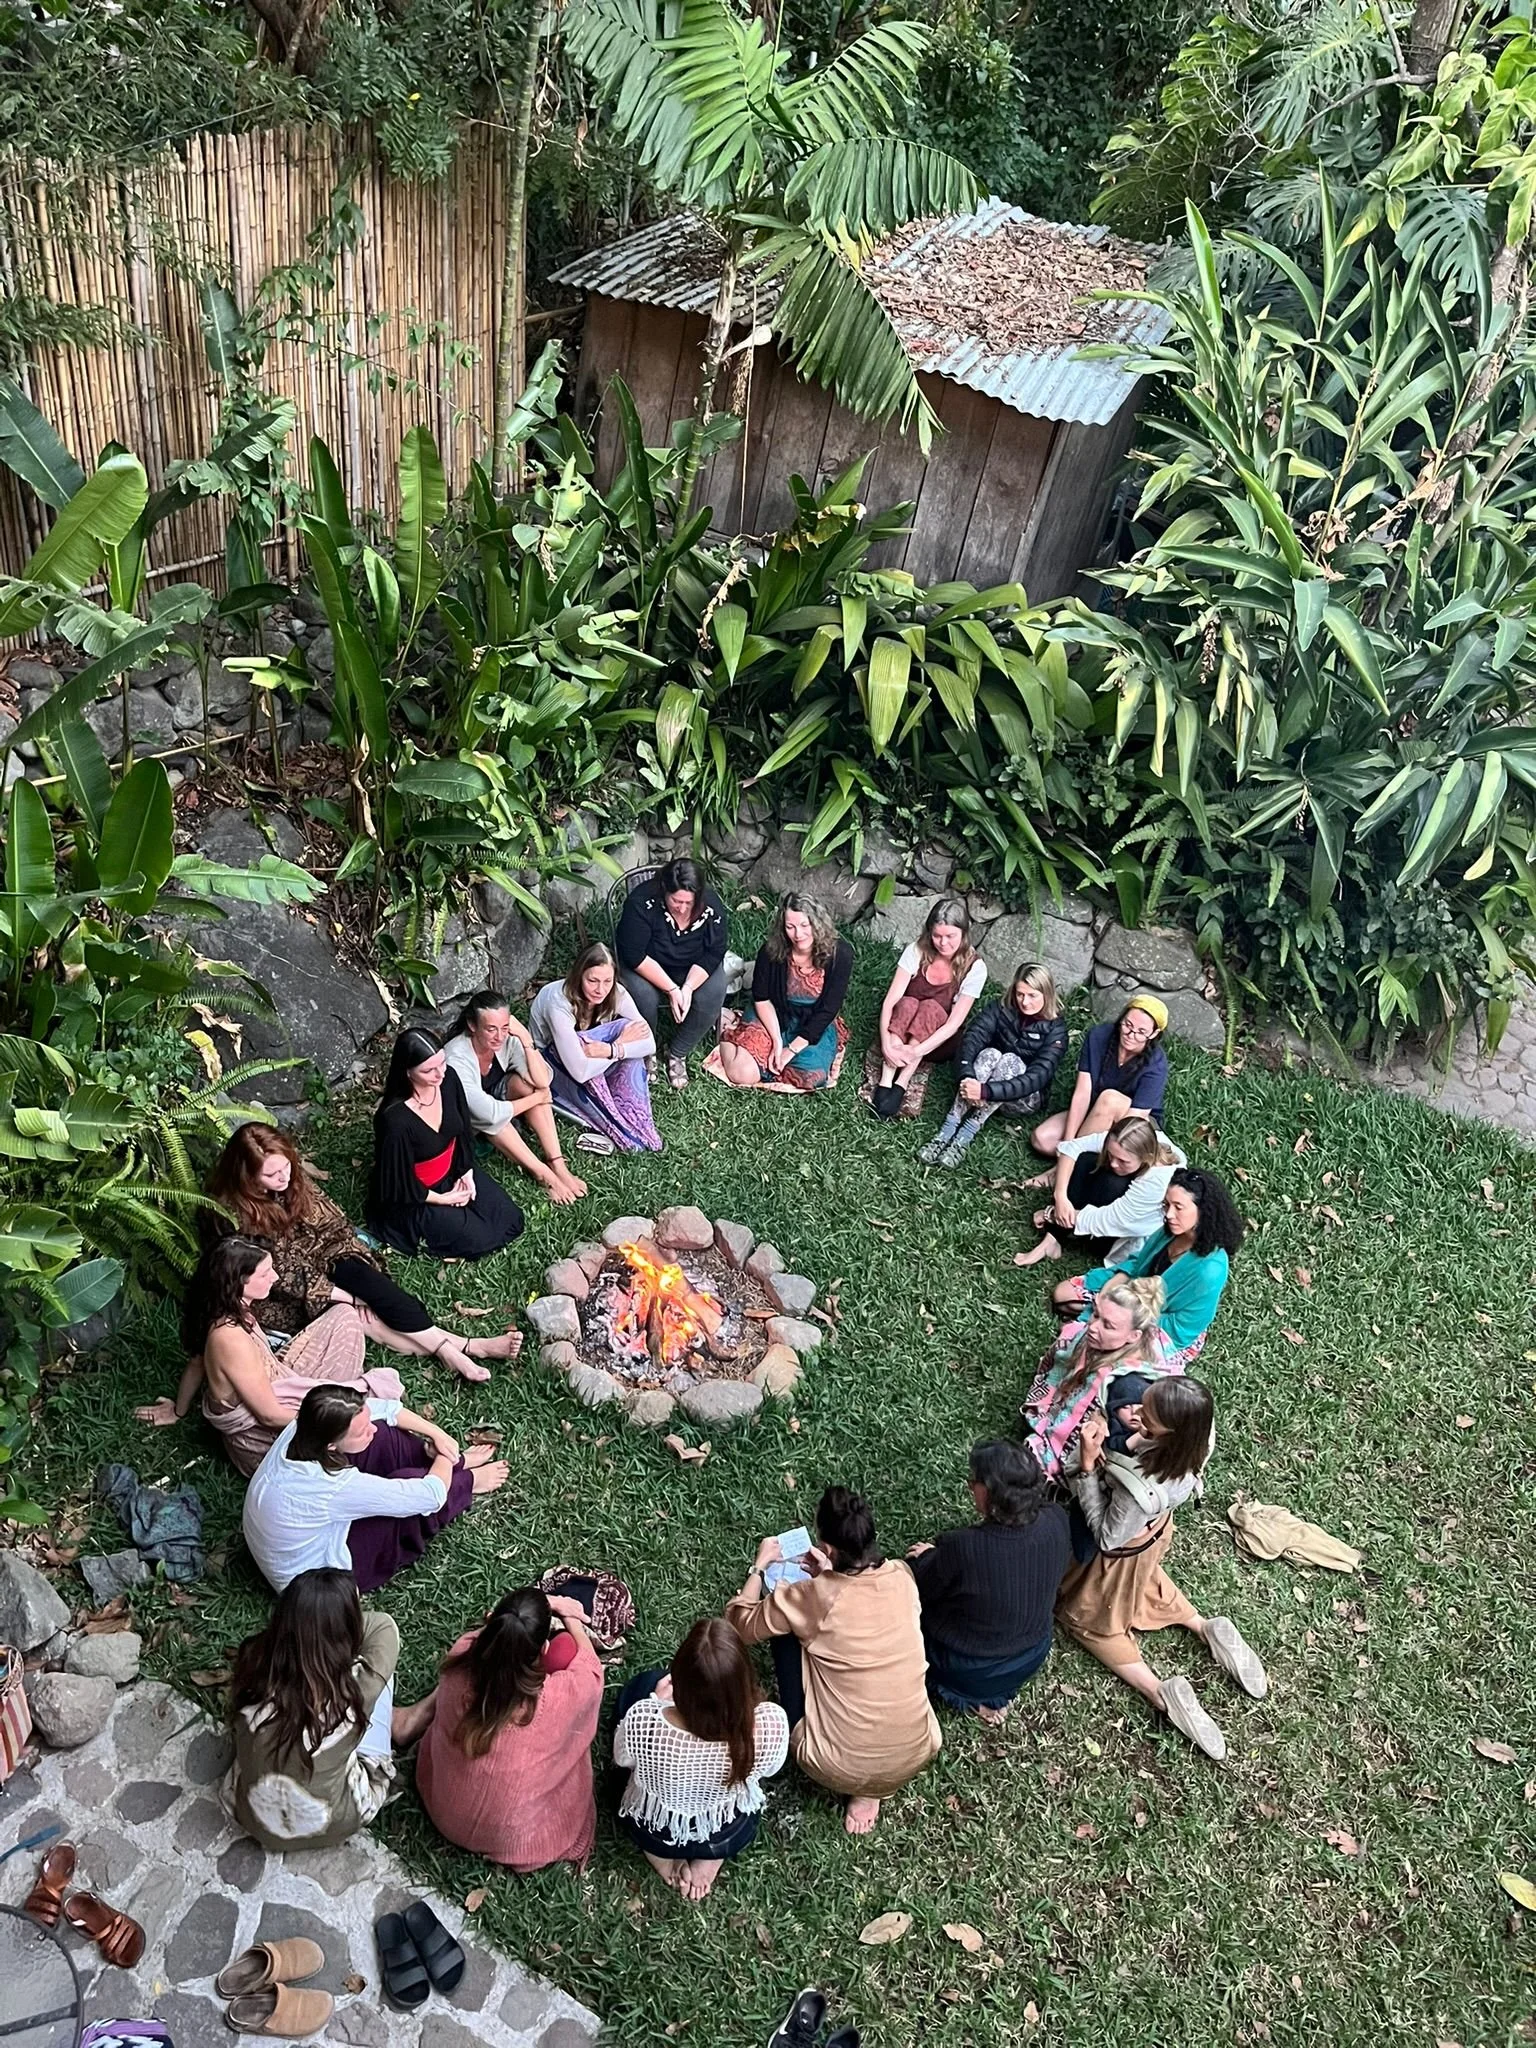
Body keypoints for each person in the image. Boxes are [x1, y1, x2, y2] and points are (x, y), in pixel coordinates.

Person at [196, 1124, 519, 1383]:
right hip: (278, 1290)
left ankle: (457, 1348)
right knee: (367, 1319)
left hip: (327, 1253)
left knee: (381, 1294)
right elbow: (279, 1273)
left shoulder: (290, 1178)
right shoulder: (230, 1212)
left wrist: (353, 1279)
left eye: (286, 1169)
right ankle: (462, 1348)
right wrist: (345, 1297)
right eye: (271, 1175)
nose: (284, 1179)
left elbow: (332, 1222)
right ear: (246, 1175)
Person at [1057, 1376, 1267, 1760]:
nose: (1135, 1412)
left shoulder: (1139, 1484)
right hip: (1154, 1535)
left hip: (1118, 1555)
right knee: (1147, 1582)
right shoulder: (1195, 1441)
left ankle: (1159, 1691)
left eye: (1146, 1414)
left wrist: (1086, 1467)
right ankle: (1202, 1626)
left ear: (1166, 1430)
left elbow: (1107, 1536)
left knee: (1091, 1622)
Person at [726, 1486, 940, 1836]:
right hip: (916, 1749)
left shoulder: (811, 1596)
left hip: (828, 1762)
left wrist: (759, 1566)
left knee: (784, 1631)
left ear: (826, 1549)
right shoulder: (902, 1575)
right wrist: (829, 1571)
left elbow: (740, 1626)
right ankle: (872, 1792)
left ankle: (854, 1772)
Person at [133, 1238, 403, 1476]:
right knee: (364, 1432)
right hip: (264, 1434)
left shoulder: (223, 1307)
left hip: (277, 1379)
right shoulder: (230, 1339)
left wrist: (179, 1410)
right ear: (239, 1282)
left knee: (344, 1315)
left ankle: (333, 1398)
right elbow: (269, 1416)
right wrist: (334, 1424)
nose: (274, 1277)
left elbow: (196, 1362)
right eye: (265, 1273)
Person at [403, 1588, 605, 1872]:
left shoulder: (462, 1653)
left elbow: (494, 1632)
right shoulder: (561, 1698)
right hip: (513, 1839)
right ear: (541, 1650)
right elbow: (592, 1671)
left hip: (442, 1809)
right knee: (567, 1650)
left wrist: (544, 1603)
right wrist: (569, 1616)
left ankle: (415, 1718)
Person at [243, 1383, 507, 1595]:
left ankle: (455, 1464)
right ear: (331, 1446)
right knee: (412, 1480)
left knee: (383, 1435)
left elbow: (386, 1410)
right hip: (317, 1578)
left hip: (298, 1537)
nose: (369, 1429)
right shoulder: (328, 1487)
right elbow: (430, 1496)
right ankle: (468, 1480)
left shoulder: (307, 1427)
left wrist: (437, 1435)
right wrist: (444, 1457)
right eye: (359, 1431)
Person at [612, 1619, 789, 1901]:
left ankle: (662, 1856)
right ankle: (712, 1856)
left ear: (679, 1679)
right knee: (744, 1813)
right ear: (745, 1682)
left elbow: (622, 1759)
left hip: (659, 1829)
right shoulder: (771, 1723)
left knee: (640, 1686)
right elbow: (770, 1768)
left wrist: (655, 1702)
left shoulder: (645, 1720)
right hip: (725, 1827)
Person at [225, 1568, 401, 1850]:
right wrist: (344, 1620)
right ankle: (399, 1727)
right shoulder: (354, 1688)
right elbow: (383, 1626)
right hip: (334, 1820)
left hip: (249, 1809)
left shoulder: (254, 1665)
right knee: (382, 1670)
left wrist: (314, 1623)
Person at [907, 1439, 1069, 1724]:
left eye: (975, 1481)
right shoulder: (1057, 1519)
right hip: (1032, 1652)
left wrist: (926, 1558)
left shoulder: (966, 1547)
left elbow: (924, 1588)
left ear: (990, 1493)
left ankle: (973, 1698)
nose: (970, 1486)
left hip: (970, 1666)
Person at [1055, 1167, 1245, 1367]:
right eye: (1166, 1205)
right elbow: (1137, 1265)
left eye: (1178, 1207)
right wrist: (1109, 1290)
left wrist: (1127, 1319)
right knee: (1062, 1295)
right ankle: (1101, 1325)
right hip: (1132, 1292)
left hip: (1162, 1324)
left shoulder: (1210, 1270)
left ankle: (1100, 1328)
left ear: (1203, 1210)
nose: (1169, 1214)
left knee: (1103, 1358)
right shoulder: (1170, 1231)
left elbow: (1183, 1327)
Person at [367, 1030, 524, 1260]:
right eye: (428, 1070)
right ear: (408, 1072)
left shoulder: (449, 1079)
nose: (439, 1073)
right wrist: (443, 1199)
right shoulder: (395, 1120)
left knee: (510, 1220)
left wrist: (466, 1171)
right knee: (481, 1239)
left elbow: (462, 1132)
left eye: (441, 1063)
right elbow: (397, 1182)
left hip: (453, 1169)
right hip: (416, 1196)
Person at [1020, 1274, 1173, 1481]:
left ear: (1134, 1336)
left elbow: (1127, 1444)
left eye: (1108, 1326)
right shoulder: (1099, 1338)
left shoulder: (1128, 1385)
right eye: (1096, 1315)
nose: (1093, 1326)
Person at [444, 991, 588, 1206]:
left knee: (527, 1085)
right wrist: (537, 1098)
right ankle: (543, 1174)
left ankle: (557, 1163)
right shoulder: (456, 1057)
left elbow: (542, 1082)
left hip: (496, 1101)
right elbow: (488, 1114)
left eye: (504, 1028)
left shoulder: (507, 1041)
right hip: (466, 1121)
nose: (499, 1036)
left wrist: (526, 1039)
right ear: (473, 1026)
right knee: (497, 1117)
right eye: (491, 1029)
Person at [918, 963, 1068, 1165]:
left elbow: (1037, 1078)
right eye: (1020, 994)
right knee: (990, 1053)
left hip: (1023, 1098)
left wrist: (986, 1091)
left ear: (1046, 994)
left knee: (1009, 1060)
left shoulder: (1056, 1030)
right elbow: (972, 1038)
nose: (1024, 1002)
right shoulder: (1002, 1007)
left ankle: (965, 1135)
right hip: (982, 1081)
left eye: (1032, 996)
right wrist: (967, 1077)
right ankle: (946, 1130)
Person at [707, 895, 853, 1093]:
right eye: (790, 927)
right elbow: (762, 997)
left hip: (812, 1023)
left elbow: (828, 1010)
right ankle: (727, 1027)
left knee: (810, 1079)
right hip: (773, 1015)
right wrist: (777, 1041)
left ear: (817, 923)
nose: (798, 934)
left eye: (804, 925)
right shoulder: (770, 951)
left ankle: (746, 1032)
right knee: (741, 1073)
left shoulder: (840, 954)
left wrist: (790, 1051)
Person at [863, 897, 988, 1121]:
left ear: (963, 934)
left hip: (936, 1040)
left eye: (950, 936)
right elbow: (891, 1000)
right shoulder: (916, 950)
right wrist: (886, 1043)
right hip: (900, 1026)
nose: (943, 943)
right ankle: (886, 1077)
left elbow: (953, 1024)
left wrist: (915, 1052)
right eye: (937, 935)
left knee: (930, 1007)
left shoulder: (975, 967)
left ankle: (902, 1082)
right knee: (909, 1002)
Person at [528, 944, 661, 1153]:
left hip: (597, 1055)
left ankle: (638, 1119)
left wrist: (612, 1049)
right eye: (593, 981)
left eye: (607, 981)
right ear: (579, 976)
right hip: (553, 1063)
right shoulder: (558, 1002)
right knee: (598, 1041)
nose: (601, 989)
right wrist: (617, 1046)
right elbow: (580, 1071)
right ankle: (624, 1132)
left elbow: (649, 1043)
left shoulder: (616, 992)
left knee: (628, 1029)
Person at [615, 857, 730, 1089]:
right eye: (677, 901)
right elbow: (633, 954)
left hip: (691, 966)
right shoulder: (642, 902)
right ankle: (647, 1048)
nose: (683, 908)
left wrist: (687, 988)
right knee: (643, 996)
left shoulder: (710, 906)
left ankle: (678, 1051)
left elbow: (715, 950)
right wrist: (670, 989)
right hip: (645, 965)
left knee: (715, 989)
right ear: (664, 890)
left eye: (689, 902)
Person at [1015, 1114, 1187, 1268]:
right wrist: (1060, 1197)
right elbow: (1071, 1148)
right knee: (1086, 1159)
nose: (1113, 1163)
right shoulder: (1129, 1139)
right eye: (1111, 1155)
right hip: (1104, 1216)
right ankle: (1053, 1240)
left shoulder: (1157, 1182)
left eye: (1123, 1161)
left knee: (1112, 1181)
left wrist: (1052, 1215)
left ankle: (1054, 1237)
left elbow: (1110, 1220)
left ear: (1146, 1158)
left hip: (1119, 1234)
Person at [1031, 994, 1169, 1159]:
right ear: (1121, 1019)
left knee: (1109, 1099)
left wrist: (1072, 1152)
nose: (1131, 1034)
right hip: (1096, 1109)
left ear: (1154, 1034)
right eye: (1128, 1025)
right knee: (1042, 1139)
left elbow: (1135, 1119)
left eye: (1141, 1032)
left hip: (1134, 1123)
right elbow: (1083, 1092)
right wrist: (1068, 1142)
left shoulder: (1156, 1063)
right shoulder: (1099, 1035)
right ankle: (1081, 1157)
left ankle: (1067, 1167)